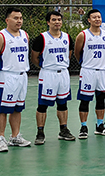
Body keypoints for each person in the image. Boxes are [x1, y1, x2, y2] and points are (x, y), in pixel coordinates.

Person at [0, 7, 32, 151]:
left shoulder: (25, 35)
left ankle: (15, 136)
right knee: (2, 109)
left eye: (20, 18)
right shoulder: (1, 36)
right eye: (15, 18)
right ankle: (1, 139)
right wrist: (1, 70)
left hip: (22, 76)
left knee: (17, 108)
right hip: (6, 76)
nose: (19, 21)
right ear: (7, 20)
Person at [30, 10, 76, 144]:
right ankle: (40, 133)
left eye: (59, 20)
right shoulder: (41, 38)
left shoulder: (67, 37)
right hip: (48, 74)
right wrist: (46, 66)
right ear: (48, 22)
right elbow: (34, 58)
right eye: (54, 20)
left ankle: (63, 130)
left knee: (63, 103)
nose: (57, 22)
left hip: (63, 74)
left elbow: (69, 54)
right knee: (42, 105)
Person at [74, 9, 105, 138]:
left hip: (102, 71)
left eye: (99, 17)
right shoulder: (83, 35)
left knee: (101, 99)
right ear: (89, 20)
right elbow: (77, 52)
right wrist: (85, 63)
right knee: (85, 100)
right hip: (88, 71)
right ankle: (83, 127)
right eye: (94, 17)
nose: (97, 19)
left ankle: (100, 125)